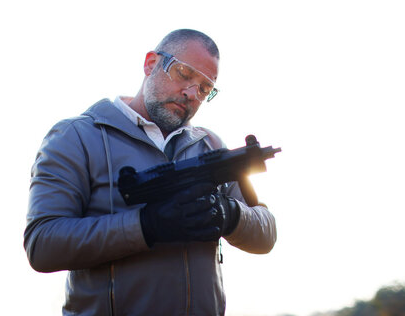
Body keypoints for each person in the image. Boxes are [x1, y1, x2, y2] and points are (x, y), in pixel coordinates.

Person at [24, 29, 277, 316]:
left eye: (205, 88)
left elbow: (266, 234)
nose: (191, 94)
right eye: (184, 73)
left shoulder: (210, 145)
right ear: (151, 63)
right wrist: (147, 225)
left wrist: (230, 215)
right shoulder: (76, 136)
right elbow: (42, 244)